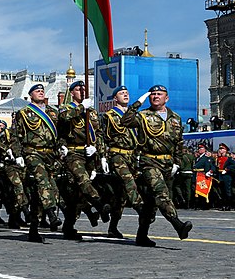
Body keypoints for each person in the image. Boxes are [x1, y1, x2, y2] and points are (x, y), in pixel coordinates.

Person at [121, 85, 193, 247]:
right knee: (161, 193)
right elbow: (125, 121)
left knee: (151, 202)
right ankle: (178, 224)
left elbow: (179, 143)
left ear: (166, 98)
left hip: (167, 163)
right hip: (149, 162)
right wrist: (138, 102)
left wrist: (177, 162)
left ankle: (141, 235)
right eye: (152, 94)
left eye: (159, 94)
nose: (155, 97)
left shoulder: (175, 118)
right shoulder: (143, 115)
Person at [58, 80, 110, 240]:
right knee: (83, 180)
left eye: (84, 89)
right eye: (78, 89)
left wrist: (100, 153)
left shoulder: (92, 112)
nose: (82, 91)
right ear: (72, 92)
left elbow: (99, 134)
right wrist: (82, 108)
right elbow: (64, 119)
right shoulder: (67, 108)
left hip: (89, 154)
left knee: (78, 194)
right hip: (73, 152)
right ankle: (99, 204)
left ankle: (68, 226)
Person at [15, 83, 62, 243]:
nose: (41, 92)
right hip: (32, 152)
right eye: (37, 91)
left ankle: (33, 228)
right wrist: (17, 154)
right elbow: (16, 135)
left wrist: (61, 147)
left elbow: (60, 133)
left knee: (39, 192)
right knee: (43, 182)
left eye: (42, 91)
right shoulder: (24, 113)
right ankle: (51, 214)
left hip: (50, 154)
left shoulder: (52, 112)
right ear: (30, 95)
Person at [100, 85, 144, 238]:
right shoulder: (109, 116)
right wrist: (103, 156)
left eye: (127, 92)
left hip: (131, 156)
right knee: (128, 181)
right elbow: (103, 137)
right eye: (121, 93)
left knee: (121, 195)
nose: (125, 95)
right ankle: (140, 208)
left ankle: (113, 227)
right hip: (117, 155)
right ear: (115, 98)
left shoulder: (135, 116)